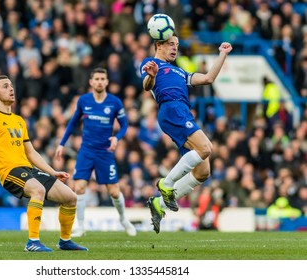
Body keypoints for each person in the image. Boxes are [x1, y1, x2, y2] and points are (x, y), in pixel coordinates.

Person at [0, 75, 87, 252]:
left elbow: (31, 152)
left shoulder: (19, 120)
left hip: (28, 169)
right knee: (38, 190)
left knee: (70, 197)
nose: (11, 89)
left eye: (11, 85)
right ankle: (32, 241)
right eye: (5, 86)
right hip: (9, 171)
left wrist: (52, 171)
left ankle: (65, 240)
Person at [141, 35, 232, 233]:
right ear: (159, 45)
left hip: (183, 112)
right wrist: (152, 75)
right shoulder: (152, 64)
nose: (175, 48)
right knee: (206, 147)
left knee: (202, 172)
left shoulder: (180, 72)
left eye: (177, 45)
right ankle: (167, 184)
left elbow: (208, 78)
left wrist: (222, 55)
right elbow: (146, 86)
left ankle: (159, 205)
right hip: (171, 109)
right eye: (171, 44)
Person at [55, 68, 136, 237]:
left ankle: (123, 219)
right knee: (79, 187)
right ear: (91, 82)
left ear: (107, 82)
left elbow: (125, 125)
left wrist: (117, 138)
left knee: (114, 191)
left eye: (102, 78)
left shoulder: (115, 102)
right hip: (86, 150)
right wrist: (62, 144)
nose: (99, 81)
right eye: (96, 78)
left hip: (104, 152)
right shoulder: (84, 101)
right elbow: (72, 123)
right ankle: (81, 226)